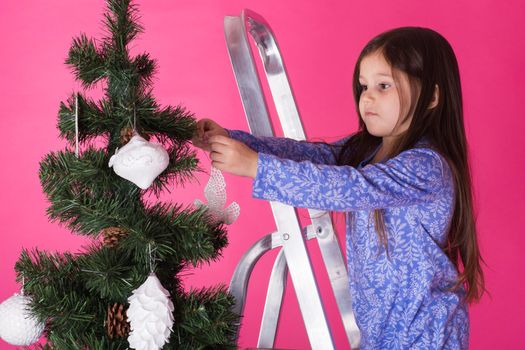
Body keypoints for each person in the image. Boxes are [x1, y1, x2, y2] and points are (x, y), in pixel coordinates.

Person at [191, 26, 485, 349]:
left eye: (383, 86)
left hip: (426, 335)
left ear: (431, 97)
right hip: (381, 335)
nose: (367, 97)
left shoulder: (427, 166)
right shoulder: (369, 150)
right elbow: (316, 156)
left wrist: (255, 167)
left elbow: (349, 188)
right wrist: (234, 141)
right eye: (363, 86)